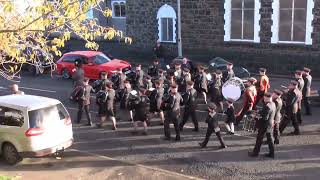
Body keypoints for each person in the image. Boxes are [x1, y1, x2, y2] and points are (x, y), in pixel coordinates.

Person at [248, 92, 276, 158]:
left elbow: (264, 118)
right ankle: (272, 153)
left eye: (264, 98)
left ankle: (255, 153)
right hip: (270, 123)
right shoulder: (273, 104)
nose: (264, 99)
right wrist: (259, 111)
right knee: (270, 139)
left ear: (266, 98)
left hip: (264, 125)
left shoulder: (267, 106)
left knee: (259, 139)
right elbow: (266, 113)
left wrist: (254, 116)